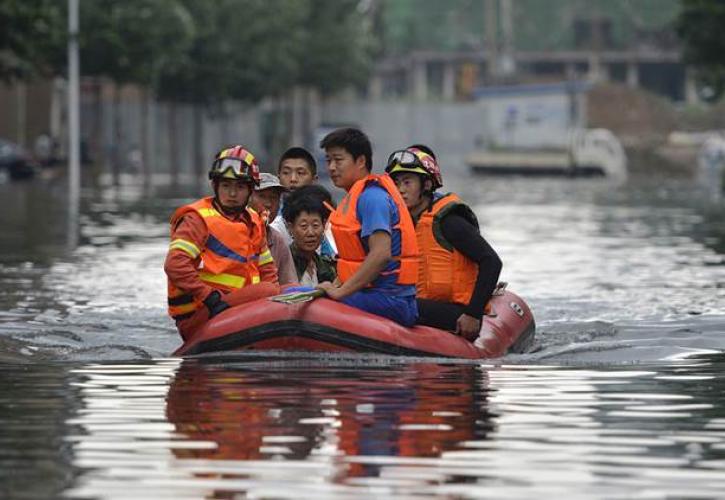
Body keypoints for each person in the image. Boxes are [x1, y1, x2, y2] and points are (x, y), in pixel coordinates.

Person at [385, 144, 502, 340]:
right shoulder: (401, 223)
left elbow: (491, 261)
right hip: (421, 304)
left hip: (457, 312)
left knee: (393, 304)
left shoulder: (449, 221)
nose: (400, 190)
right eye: (396, 183)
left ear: (427, 185)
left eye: (407, 183)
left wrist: (473, 314)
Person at [164, 145, 280, 340]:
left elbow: (267, 270)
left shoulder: (254, 220)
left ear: (251, 190)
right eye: (226, 186)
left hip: (236, 306)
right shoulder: (197, 219)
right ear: (215, 186)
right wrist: (209, 296)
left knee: (285, 289)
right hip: (202, 312)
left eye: (240, 187)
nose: (232, 194)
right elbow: (175, 265)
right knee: (269, 291)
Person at [315, 128, 418, 327]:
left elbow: (381, 255)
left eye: (338, 160)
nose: (332, 167)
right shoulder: (355, 197)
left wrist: (339, 293)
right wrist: (335, 285)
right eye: (328, 161)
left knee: (303, 298)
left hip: (391, 300)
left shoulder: (372, 198)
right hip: (374, 295)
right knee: (296, 293)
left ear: (361, 161)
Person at [270, 146, 336, 257]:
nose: (293, 179)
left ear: (314, 180)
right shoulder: (271, 217)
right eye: (286, 173)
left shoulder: (328, 217)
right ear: (278, 178)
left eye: (300, 173)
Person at [282, 185, 337, 286]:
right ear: (290, 227)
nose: (310, 233)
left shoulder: (326, 266)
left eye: (315, 225)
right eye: (304, 226)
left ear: (324, 225)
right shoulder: (283, 263)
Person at [248, 173, 297, 285]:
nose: (268, 204)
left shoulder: (277, 240)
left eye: (274, 198)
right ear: (248, 198)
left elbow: (289, 285)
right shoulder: (233, 230)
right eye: (262, 196)